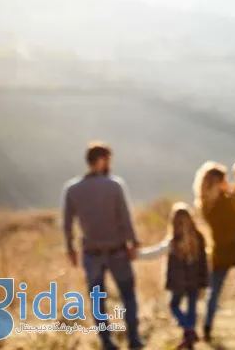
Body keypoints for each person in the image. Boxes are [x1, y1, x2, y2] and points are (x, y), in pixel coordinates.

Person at [61, 142, 144, 350]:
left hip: (91, 253)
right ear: (101, 160)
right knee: (128, 295)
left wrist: (70, 249)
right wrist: (133, 242)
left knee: (98, 300)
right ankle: (133, 339)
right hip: (117, 251)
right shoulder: (114, 185)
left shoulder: (72, 189)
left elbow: (67, 223)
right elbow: (125, 218)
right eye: (108, 159)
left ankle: (107, 342)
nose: (110, 164)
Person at [194, 161, 235, 343]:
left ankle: (207, 328)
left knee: (213, 293)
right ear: (220, 182)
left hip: (220, 252)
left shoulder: (204, 206)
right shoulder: (233, 202)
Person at [138, 202, 209, 350]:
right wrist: (204, 281)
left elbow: (155, 252)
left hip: (178, 283)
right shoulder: (199, 238)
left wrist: (136, 254)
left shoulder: (173, 242)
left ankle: (188, 332)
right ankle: (189, 336)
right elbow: (204, 263)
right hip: (195, 281)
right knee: (192, 308)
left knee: (174, 305)